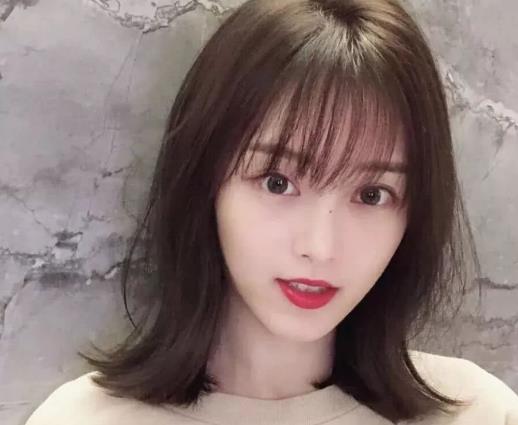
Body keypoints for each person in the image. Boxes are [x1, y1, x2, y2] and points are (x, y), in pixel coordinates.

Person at [25, 0, 518, 424]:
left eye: (372, 195)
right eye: (277, 182)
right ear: (205, 180)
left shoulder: (478, 414)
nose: (320, 247)